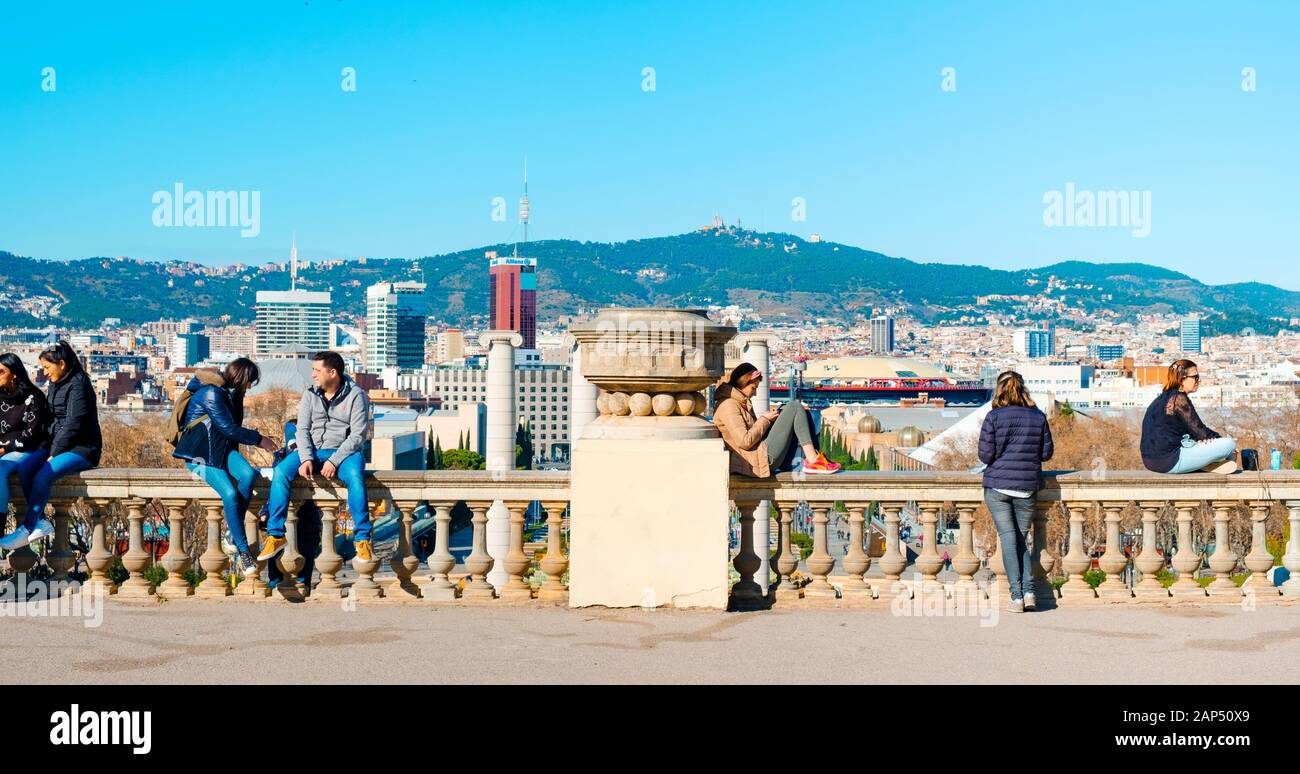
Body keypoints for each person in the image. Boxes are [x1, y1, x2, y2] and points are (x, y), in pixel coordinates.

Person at [257, 351, 374, 563]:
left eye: (317, 370)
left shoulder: (356, 396)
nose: (313, 375)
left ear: (332, 373)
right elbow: (301, 430)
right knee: (281, 471)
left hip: (344, 453)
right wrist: (306, 458)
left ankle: (363, 538)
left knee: (356, 477)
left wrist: (334, 461)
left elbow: (358, 436)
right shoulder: (310, 394)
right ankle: (275, 534)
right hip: (313, 451)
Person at [172, 358, 279, 578]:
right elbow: (228, 428)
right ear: (241, 378)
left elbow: (230, 430)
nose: (250, 387)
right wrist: (260, 439)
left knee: (248, 475)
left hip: (220, 451)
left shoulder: (229, 394)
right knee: (229, 493)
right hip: (197, 456)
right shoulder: (211, 393)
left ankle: (233, 531)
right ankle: (243, 550)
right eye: (249, 382)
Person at [0, 341, 101, 550]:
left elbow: (74, 423)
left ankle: (27, 527)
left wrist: (54, 453)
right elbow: (53, 419)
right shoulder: (57, 382)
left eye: (47, 367)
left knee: (43, 475)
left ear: (61, 364)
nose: (44, 372)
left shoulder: (79, 384)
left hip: (82, 447)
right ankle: (39, 521)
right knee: (26, 468)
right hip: (57, 444)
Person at [978, 370, 1053, 613]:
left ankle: (1017, 596)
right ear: (1023, 390)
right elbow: (1046, 453)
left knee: (1010, 540)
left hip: (998, 486)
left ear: (999, 391)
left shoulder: (993, 417)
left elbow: (985, 455)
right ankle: (1029, 593)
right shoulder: (1038, 416)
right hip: (1027, 486)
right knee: (1019, 540)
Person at [713, 362, 840, 477]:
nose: (755, 393)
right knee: (794, 406)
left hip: (757, 457)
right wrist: (764, 420)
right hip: (758, 459)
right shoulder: (729, 405)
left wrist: (771, 420)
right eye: (753, 388)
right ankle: (813, 460)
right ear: (742, 383)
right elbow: (745, 441)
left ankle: (813, 458)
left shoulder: (739, 402)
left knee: (792, 411)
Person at [1140, 359, 1237, 475]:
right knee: (1229, 444)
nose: (1198, 380)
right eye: (1195, 377)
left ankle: (1203, 464)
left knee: (1203, 443)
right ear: (1182, 379)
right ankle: (1205, 464)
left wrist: (1204, 440)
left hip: (1150, 461)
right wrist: (1221, 442)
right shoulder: (1178, 399)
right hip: (1169, 461)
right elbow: (1201, 431)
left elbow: (1191, 432)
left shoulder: (1162, 398)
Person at [0, 353, 51, 534]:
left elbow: (32, 433)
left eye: (1, 372)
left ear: (14, 373)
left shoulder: (34, 397)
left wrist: (5, 448)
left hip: (28, 448)